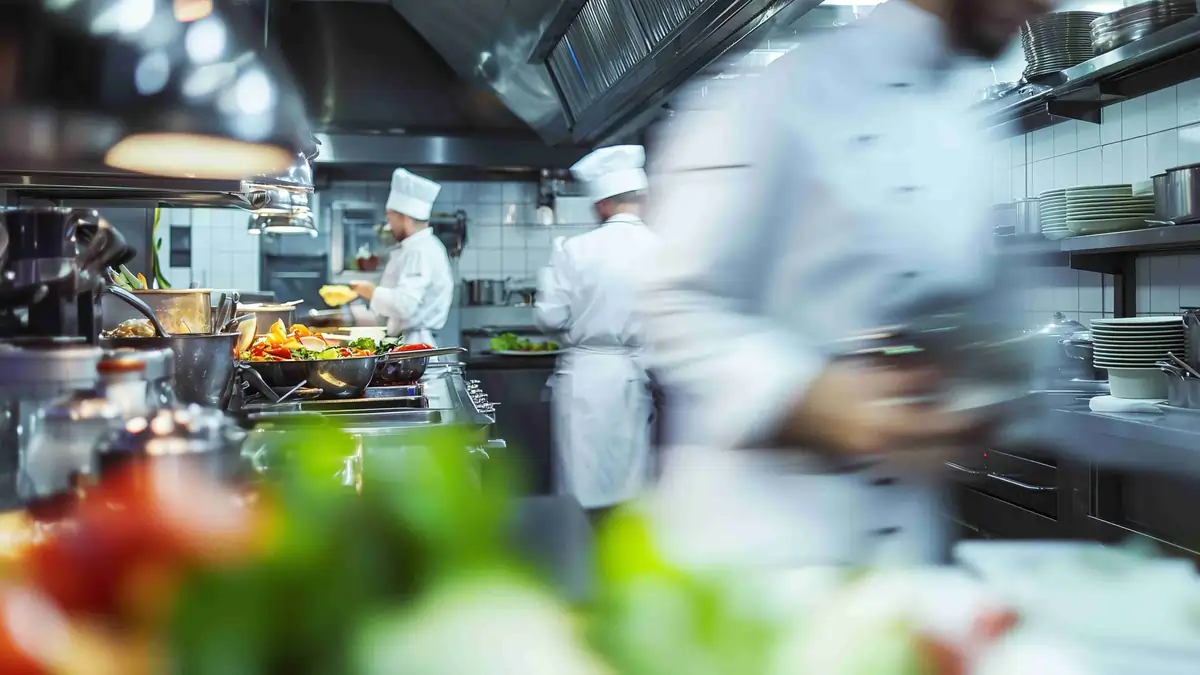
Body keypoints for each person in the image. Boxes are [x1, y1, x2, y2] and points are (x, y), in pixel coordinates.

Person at [639, 0, 1051, 568]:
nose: (1044, 6)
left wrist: (984, 385)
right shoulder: (770, 98)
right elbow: (676, 303)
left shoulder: (973, 124)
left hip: (906, 551)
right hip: (756, 555)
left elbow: (994, 325)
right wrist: (805, 395)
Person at [535, 145, 659, 525]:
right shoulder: (661, 248)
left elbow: (549, 316)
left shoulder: (576, 250)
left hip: (586, 378)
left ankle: (579, 570)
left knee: (582, 489)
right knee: (630, 489)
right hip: (637, 377)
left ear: (602, 203)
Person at [349, 168, 454, 347]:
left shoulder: (421, 250)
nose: (389, 227)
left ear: (404, 218)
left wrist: (371, 291)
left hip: (418, 345)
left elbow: (404, 305)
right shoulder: (416, 247)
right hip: (409, 341)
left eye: (391, 220)